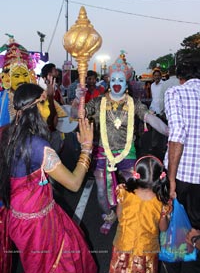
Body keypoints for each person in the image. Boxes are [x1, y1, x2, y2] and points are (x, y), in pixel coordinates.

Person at [0, 83, 97, 273]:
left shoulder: (5, 133)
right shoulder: (37, 145)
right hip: (38, 226)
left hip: (17, 220)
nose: (49, 107)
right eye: (45, 102)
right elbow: (74, 183)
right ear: (34, 108)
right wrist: (87, 147)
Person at [77, 52, 169, 234]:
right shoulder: (98, 102)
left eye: (120, 80)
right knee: (102, 191)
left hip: (128, 152)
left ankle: (129, 215)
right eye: (113, 80)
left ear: (126, 84)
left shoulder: (134, 103)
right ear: (109, 82)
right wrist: (77, 98)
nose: (116, 83)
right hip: (103, 152)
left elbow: (151, 119)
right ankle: (110, 215)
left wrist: (168, 132)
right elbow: (77, 115)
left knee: (133, 188)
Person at [161, 60, 200, 272]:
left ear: (180, 77)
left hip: (183, 175)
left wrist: (172, 179)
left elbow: (177, 135)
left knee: (176, 230)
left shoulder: (176, 92)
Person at [109, 155, 171, 273]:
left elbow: (119, 215)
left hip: (123, 245)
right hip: (147, 250)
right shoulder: (161, 202)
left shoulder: (124, 192)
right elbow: (163, 228)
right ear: (160, 178)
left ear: (136, 174)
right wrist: (166, 216)